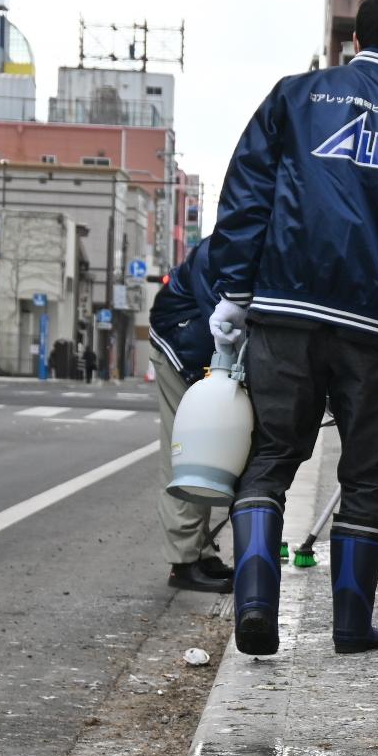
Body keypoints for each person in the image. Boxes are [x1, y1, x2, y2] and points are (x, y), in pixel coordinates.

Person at [208, 0, 378, 657]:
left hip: (285, 312)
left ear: (355, 39)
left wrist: (235, 290)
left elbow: (246, 196)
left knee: (270, 457)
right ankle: (351, 625)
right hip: (374, 328)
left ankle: (256, 600)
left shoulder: (294, 97)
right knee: (366, 471)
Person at [146, 236, 235, 595]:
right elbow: (220, 315)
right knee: (188, 455)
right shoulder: (224, 249)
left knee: (208, 456)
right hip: (181, 347)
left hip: (206, 352)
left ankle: (199, 551)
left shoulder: (244, 239)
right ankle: (184, 561)